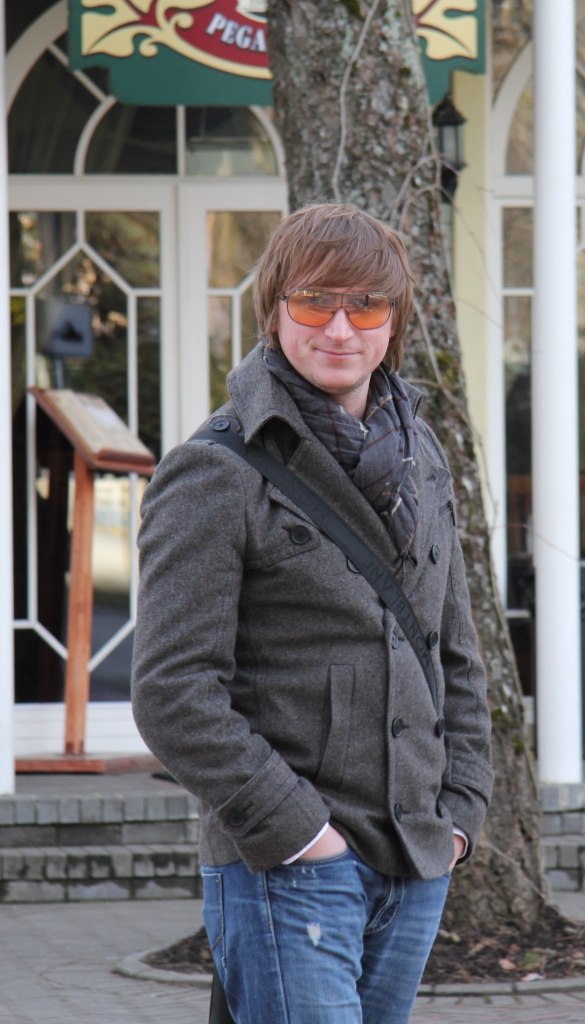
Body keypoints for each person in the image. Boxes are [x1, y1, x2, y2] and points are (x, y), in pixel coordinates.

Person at [131, 202, 493, 1024]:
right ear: (273, 309)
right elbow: (172, 692)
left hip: (416, 856)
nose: (338, 328)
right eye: (313, 301)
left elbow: (455, 654)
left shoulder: (423, 459)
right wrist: (302, 836)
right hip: (289, 865)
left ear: (392, 321)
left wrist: (460, 813)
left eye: (364, 305)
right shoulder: (216, 470)